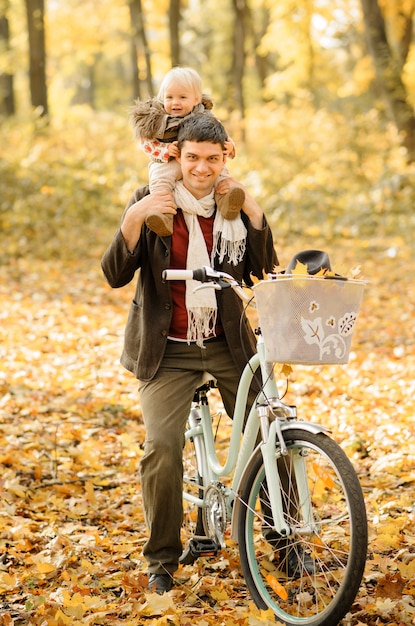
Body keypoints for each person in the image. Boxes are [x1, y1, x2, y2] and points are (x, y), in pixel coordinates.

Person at [101, 113, 278, 594]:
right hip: (168, 351)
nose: (202, 168)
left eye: (212, 159)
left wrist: (254, 209)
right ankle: (161, 559)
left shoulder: (232, 203)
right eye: (193, 157)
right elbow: (115, 273)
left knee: (272, 428)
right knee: (161, 446)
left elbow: (266, 270)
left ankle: (285, 540)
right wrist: (134, 217)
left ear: (226, 158)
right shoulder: (153, 200)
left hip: (227, 342)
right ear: (176, 156)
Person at [129, 66, 244, 237]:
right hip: (168, 162)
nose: (175, 102)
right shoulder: (156, 118)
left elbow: (220, 132)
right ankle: (163, 216)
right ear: (162, 98)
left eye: (182, 97)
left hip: (199, 160)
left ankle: (227, 202)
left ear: (196, 99)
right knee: (160, 183)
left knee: (222, 174)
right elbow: (145, 142)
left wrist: (230, 146)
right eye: (169, 97)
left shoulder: (206, 116)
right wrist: (164, 150)